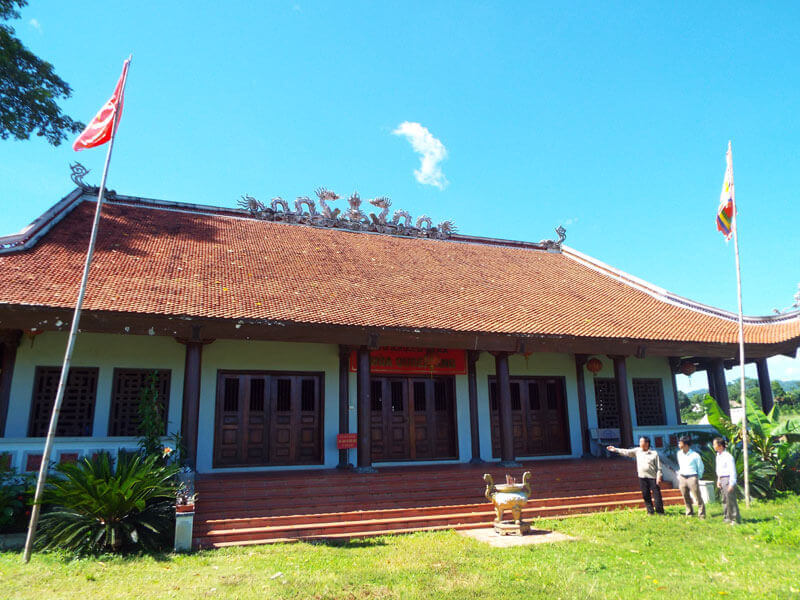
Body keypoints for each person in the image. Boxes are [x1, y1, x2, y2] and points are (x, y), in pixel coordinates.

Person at [607, 436, 664, 515]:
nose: (640, 443)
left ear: (646, 443)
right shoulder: (637, 451)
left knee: (657, 494)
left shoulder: (654, 453)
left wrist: (659, 476)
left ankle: (660, 511)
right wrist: (615, 449)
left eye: (641, 442)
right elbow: (627, 452)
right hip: (642, 477)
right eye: (640, 442)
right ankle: (650, 511)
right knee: (645, 494)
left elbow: (659, 467)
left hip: (653, 477)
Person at [676, 436, 705, 518]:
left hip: (692, 477)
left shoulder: (695, 455)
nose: (678, 444)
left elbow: (700, 467)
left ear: (685, 445)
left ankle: (702, 514)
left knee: (697, 496)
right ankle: (689, 513)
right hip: (682, 477)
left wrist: (697, 477)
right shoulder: (679, 454)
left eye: (680, 443)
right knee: (685, 496)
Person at [713, 437, 740, 524]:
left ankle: (735, 519)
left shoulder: (728, 457)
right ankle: (727, 517)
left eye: (714, 444)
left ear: (720, 446)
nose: (713, 446)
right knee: (724, 500)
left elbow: (732, 471)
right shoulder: (718, 456)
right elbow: (719, 470)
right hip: (721, 479)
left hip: (728, 479)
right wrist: (718, 480)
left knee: (731, 500)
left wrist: (731, 483)